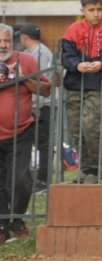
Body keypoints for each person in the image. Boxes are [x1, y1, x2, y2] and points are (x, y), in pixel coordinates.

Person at [61, 0, 102, 184]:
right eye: (91, 10)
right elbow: (66, 56)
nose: (96, 14)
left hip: (100, 86)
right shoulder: (73, 29)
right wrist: (77, 65)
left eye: (99, 9)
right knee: (75, 130)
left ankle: (95, 170)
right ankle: (84, 168)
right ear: (83, 11)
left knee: (90, 126)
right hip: (75, 85)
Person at [0, 23, 50, 244]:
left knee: (20, 180)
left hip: (20, 132)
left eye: (7, 41)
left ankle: (17, 219)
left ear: (14, 41)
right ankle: (2, 225)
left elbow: (46, 89)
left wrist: (23, 78)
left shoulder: (26, 60)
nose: (3, 45)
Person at [17, 22, 53, 192]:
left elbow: (41, 80)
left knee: (43, 142)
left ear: (24, 36)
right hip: (39, 105)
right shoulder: (33, 52)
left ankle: (43, 180)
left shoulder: (39, 53)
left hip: (42, 105)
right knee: (38, 142)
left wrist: (35, 108)